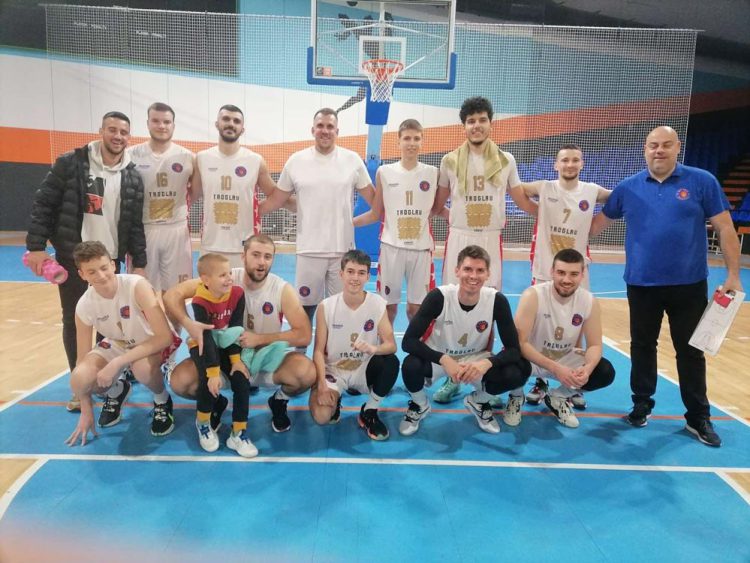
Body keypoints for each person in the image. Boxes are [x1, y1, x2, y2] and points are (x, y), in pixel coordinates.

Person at [591, 125, 743, 447]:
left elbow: (725, 228)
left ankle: (697, 417)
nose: (658, 150)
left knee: (691, 351)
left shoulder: (702, 181)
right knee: (642, 347)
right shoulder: (628, 187)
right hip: (641, 284)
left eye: (665, 145)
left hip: (689, 285)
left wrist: (733, 275)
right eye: (653, 145)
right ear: (645, 150)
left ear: (678, 147)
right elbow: (594, 226)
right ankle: (641, 405)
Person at [26, 111, 147, 413]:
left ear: (128, 137)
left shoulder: (132, 174)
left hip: (111, 260)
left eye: (123, 132)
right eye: (112, 130)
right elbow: (44, 203)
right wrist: (36, 247)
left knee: (110, 323)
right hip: (74, 257)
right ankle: (79, 383)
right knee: (74, 319)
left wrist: (139, 262)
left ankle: (106, 383)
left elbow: (134, 223)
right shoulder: (71, 163)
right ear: (101, 131)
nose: (117, 136)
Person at [430, 96, 535, 404]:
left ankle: (482, 376)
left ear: (491, 122)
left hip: (490, 237)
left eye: (482, 120)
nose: (476, 125)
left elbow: (521, 200)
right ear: (464, 126)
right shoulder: (449, 160)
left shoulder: (506, 160)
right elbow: (437, 205)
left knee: (488, 307)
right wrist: (454, 217)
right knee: (450, 306)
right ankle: (452, 376)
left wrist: (552, 213)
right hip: (460, 237)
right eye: (471, 121)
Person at [165, 234, 317, 436]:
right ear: (243, 256)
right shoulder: (226, 279)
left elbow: (304, 335)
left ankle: (278, 401)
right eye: (256, 255)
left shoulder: (281, 289)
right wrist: (188, 323)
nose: (262, 262)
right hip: (227, 361)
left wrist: (260, 339)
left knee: (306, 372)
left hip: (263, 361)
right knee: (181, 381)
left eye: (267, 257)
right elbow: (172, 295)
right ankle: (216, 401)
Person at [259, 108, 375, 329]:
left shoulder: (352, 160)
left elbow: (375, 201)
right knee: (304, 312)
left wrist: (360, 221)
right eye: (320, 126)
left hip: (342, 250)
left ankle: (335, 351)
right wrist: (250, 213)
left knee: (340, 312)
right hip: (309, 250)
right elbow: (276, 200)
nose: (325, 130)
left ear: (337, 131)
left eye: (330, 126)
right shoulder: (296, 161)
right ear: (312, 130)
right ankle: (302, 349)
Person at [400, 245, 531, 435]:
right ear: (457, 271)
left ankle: (478, 401)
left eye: (480, 270)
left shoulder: (496, 300)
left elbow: (513, 350)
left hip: (475, 360)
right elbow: (408, 342)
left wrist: (486, 363)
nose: (473, 276)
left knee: (519, 370)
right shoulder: (439, 297)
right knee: (410, 365)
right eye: (468, 269)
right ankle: (420, 404)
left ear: (488, 274)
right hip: (440, 357)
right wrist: (444, 359)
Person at [519, 144, 611, 409]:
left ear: (582, 164)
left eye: (575, 160)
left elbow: (619, 197)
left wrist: (600, 222)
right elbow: (518, 188)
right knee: (539, 327)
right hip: (545, 268)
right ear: (556, 164)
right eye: (564, 160)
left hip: (576, 270)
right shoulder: (545, 187)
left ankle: (572, 380)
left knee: (576, 324)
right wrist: (538, 211)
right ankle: (541, 380)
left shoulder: (592, 191)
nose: (570, 164)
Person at [65, 241, 175, 446]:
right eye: (91, 272)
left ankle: (162, 399)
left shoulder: (137, 286)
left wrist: (118, 363)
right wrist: (86, 410)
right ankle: (117, 391)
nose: (101, 275)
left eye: (104, 268)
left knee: (141, 369)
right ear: (82, 274)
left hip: (150, 339)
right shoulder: (84, 305)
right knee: (80, 377)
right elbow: (81, 360)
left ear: (113, 265)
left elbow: (164, 337)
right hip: (119, 342)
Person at [506, 249, 615, 429]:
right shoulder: (533, 295)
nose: (566, 279)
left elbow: (594, 345)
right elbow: (520, 343)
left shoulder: (589, 301)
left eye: (573, 274)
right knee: (509, 364)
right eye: (561, 272)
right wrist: (555, 368)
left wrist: (587, 369)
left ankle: (558, 397)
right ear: (552, 272)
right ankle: (516, 396)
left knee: (604, 371)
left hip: (564, 358)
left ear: (582, 275)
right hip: (531, 358)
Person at [353, 118, 438, 324]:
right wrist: (346, 223)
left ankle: (415, 346)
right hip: (391, 248)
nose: (411, 143)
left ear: (422, 142)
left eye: (416, 138)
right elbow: (375, 213)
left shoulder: (433, 173)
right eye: (407, 138)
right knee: (387, 309)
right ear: (398, 141)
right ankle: (385, 345)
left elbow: (436, 209)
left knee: (417, 310)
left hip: (421, 250)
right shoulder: (384, 172)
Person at [308, 250, 399, 441]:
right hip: (334, 369)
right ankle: (335, 396)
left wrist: (374, 349)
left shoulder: (377, 304)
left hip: (363, 367)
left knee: (391, 362)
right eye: (350, 271)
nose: (355, 278)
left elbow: (391, 345)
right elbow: (318, 351)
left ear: (367, 276)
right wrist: (322, 385)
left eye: (361, 273)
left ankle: (369, 411)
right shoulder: (326, 306)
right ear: (341, 274)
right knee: (322, 417)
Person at [186, 253, 258, 457]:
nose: (229, 279)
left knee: (241, 379)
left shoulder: (237, 293)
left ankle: (238, 432)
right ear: (206, 280)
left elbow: (235, 328)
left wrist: (236, 361)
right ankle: (203, 422)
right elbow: (206, 336)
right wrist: (213, 372)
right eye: (222, 275)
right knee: (207, 380)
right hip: (203, 343)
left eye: (229, 273)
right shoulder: (199, 301)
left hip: (227, 342)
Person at [192, 105, 279, 269]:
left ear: (242, 129)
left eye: (236, 121)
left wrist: (258, 210)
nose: (231, 124)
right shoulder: (202, 158)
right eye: (226, 119)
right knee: (209, 287)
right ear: (217, 124)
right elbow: (191, 196)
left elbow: (276, 195)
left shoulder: (255, 161)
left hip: (245, 247)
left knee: (243, 287)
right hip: (211, 244)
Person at [129, 102, 195, 292]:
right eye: (156, 121)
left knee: (178, 291)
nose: (161, 126)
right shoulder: (130, 155)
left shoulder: (189, 157)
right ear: (147, 123)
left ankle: (173, 315)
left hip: (176, 229)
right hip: (144, 230)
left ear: (173, 125)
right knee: (142, 290)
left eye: (166, 122)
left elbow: (195, 192)